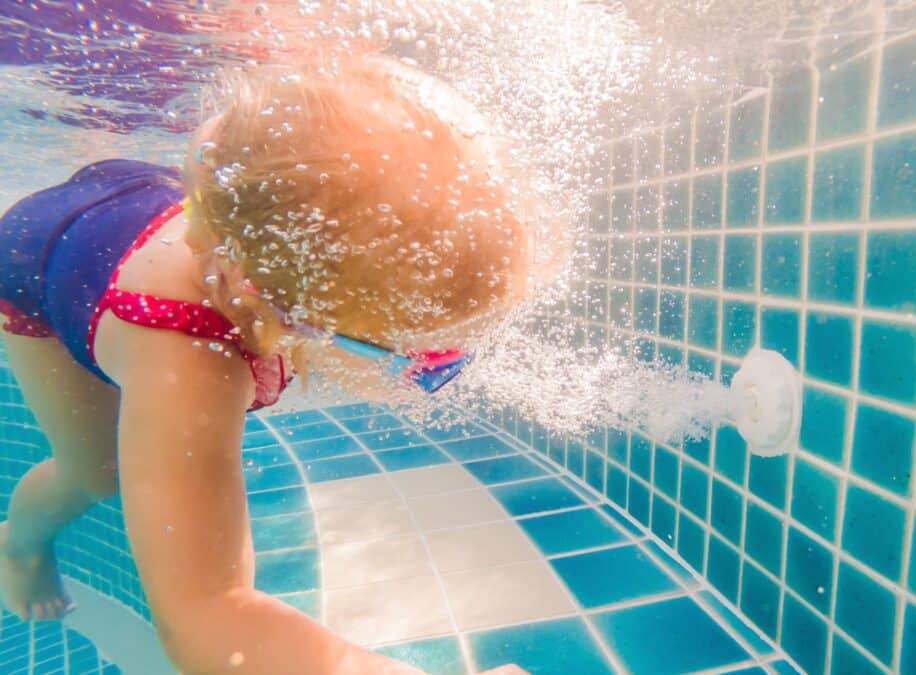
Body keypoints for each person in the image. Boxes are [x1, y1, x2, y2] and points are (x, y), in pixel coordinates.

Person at [0, 55, 532, 675]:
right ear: (285, 316)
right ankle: (17, 541)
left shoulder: (245, 195)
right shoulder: (189, 357)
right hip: (33, 263)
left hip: (130, 193)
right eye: (425, 360)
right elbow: (205, 616)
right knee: (96, 472)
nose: (434, 378)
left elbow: (234, 149)